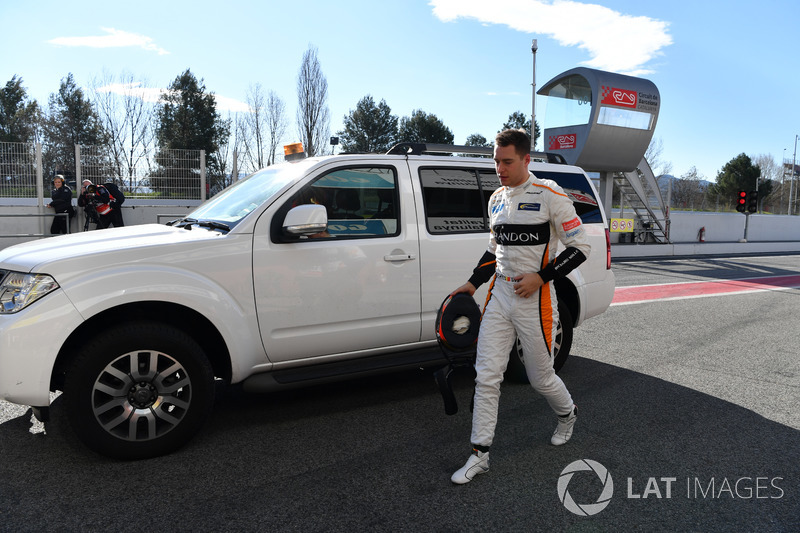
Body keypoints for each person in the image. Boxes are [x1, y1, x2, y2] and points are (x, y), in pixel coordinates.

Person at [449, 129, 591, 485]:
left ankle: (567, 414)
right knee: (486, 376)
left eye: (507, 161)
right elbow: (494, 249)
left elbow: (580, 248)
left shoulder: (550, 195)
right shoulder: (496, 198)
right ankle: (479, 454)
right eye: (496, 161)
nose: (500, 168)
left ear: (527, 159)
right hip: (500, 295)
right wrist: (472, 282)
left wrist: (542, 277)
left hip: (537, 300)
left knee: (540, 377)